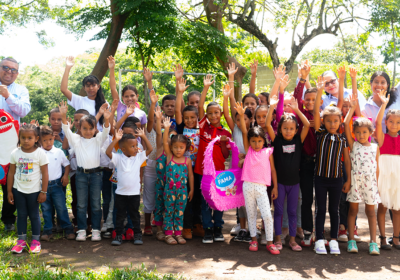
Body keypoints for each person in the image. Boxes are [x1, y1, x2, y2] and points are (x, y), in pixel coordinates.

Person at [60, 100, 111, 242]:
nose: (88, 131)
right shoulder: (76, 140)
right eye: (85, 128)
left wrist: (106, 119)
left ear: (95, 129)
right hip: (80, 175)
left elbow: (106, 130)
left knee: (95, 204)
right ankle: (82, 230)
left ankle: (95, 230)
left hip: (96, 175)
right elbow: (66, 129)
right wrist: (63, 116)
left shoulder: (98, 140)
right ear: (80, 129)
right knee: (81, 204)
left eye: (91, 128)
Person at [266, 88, 310, 252]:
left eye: (291, 129)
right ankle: (278, 239)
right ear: (280, 130)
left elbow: (306, 124)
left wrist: (297, 109)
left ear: (296, 130)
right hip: (280, 184)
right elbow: (267, 125)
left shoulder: (299, 139)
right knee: (278, 212)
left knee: (292, 211)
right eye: (285, 128)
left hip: (294, 183)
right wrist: (272, 107)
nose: (288, 131)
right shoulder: (276, 140)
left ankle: (292, 240)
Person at [313, 76, 351, 255]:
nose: (332, 124)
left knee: (334, 210)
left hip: (337, 180)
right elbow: (315, 113)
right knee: (320, 209)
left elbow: (346, 160)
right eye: (329, 121)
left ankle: (333, 239)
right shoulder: (320, 133)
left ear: (340, 121)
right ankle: (320, 239)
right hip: (320, 179)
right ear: (324, 121)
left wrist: (348, 179)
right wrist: (319, 90)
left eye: (336, 121)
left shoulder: (342, 138)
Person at [235, 102, 279, 254]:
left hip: (262, 187)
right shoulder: (249, 151)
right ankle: (254, 240)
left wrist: (275, 187)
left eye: (259, 141)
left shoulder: (268, 152)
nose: (256, 144)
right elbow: (244, 131)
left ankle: (270, 242)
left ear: (264, 141)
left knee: (267, 214)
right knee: (251, 214)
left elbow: (273, 170)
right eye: (253, 141)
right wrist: (241, 115)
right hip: (248, 186)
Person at [196, 74, 231, 244]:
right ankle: (207, 229)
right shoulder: (203, 127)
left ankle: (218, 228)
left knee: (218, 201)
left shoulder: (226, 133)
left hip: (219, 174)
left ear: (221, 114)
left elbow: (226, 155)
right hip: (204, 173)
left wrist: (224, 144)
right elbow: (200, 107)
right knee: (205, 203)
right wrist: (206, 88)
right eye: (210, 113)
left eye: (216, 112)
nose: (213, 115)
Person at [343, 101, 380, 255]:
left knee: (371, 213)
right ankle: (351, 240)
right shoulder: (353, 145)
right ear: (354, 133)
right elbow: (345, 124)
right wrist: (351, 108)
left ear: (370, 132)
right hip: (355, 183)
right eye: (357, 132)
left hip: (370, 184)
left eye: (364, 132)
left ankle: (373, 242)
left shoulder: (375, 147)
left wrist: (376, 185)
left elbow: (377, 168)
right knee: (353, 211)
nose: (361, 135)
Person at [106, 128, 152, 246]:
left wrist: (143, 136)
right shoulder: (118, 158)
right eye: (133, 146)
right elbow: (108, 152)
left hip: (134, 194)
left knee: (135, 215)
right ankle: (119, 235)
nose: (136, 148)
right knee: (120, 215)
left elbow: (150, 149)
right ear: (123, 149)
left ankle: (137, 234)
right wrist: (116, 140)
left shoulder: (139, 157)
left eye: (136, 145)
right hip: (120, 194)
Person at [0, 57, 31, 232]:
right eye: (6, 67)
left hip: (11, 144)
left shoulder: (20, 90)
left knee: (9, 182)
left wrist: (8, 96)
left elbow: (24, 110)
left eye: (14, 70)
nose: (9, 72)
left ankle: (8, 220)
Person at [7, 124, 49, 254]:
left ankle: (35, 241)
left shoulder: (40, 153)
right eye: (23, 137)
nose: (26, 140)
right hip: (18, 190)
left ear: (36, 138)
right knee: (21, 215)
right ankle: (21, 241)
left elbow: (45, 173)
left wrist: (43, 191)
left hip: (34, 191)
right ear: (19, 138)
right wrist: (9, 191)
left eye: (29, 138)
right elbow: (11, 173)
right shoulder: (15, 153)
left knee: (34, 215)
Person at [293, 62, 319, 246]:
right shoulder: (300, 114)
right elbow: (296, 96)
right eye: (307, 99)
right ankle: (308, 232)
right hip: (305, 163)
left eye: (314, 99)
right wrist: (302, 79)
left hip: (322, 163)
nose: (310, 102)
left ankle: (321, 232)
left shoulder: (324, 116)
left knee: (322, 200)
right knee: (307, 198)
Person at [223, 84, 252, 242]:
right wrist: (226, 96)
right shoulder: (235, 129)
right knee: (239, 200)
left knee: (248, 199)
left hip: (247, 170)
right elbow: (227, 113)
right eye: (239, 119)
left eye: (244, 119)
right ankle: (242, 228)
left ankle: (252, 228)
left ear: (250, 120)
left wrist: (241, 113)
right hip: (235, 169)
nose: (241, 122)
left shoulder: (251, 132)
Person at [39, 126, 75, 241]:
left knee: (61, 207)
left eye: (50, 139)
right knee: (46, 209)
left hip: (57, 185)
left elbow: (67, 164)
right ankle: (48, 230)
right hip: (42, 187)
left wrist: (65, 176)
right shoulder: (38, 153)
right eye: (44, 140)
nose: (48, 142)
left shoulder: (58, 152)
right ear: (39, 140)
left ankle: (68, 229)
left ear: (54, 138)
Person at [60, 56, 116, 131]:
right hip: (82, 137)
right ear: (84, 88)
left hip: (99, 139)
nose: (91, 88)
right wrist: (67, 68)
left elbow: (109, 124)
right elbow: (63, 89)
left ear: (98, 86)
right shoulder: (79, 100)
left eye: (93, 85)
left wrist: (111, 69)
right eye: (88, 86)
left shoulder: (104, 104)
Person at [375, 90, 400, 250]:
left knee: (397, 209)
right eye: (391, 121)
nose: (394, 125)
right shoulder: (382, 137)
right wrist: (384, 104)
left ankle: (396, 239)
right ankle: (383, 238)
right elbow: (377, 123)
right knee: (382, 207)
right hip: (384, 175)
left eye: (398, 122)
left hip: (397, 176)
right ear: (386, 122)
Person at [162, 117, 194, 245]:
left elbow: (190, 176)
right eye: (175, 147)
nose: (178, 150)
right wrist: (166, 129)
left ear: (186, 148)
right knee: (169, 211)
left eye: (181, 147)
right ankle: (168, 234)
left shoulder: (187, 161)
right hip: (169, 191)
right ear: (171, 147)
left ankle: (178, 233)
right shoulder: (169, 157)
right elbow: (165, 143)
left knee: (179, 212)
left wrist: (191, 190)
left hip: (183, 191)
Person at [175, 78, 200, 240]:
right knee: (186, 198)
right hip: (183, 169)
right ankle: (186, 227)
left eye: (193, 117)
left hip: (198, 168)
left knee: (197, 195)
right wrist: (180, 92)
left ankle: (198, 225)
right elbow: (178, 111)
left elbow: (201, 108)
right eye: (187, 118)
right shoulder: (181, 128)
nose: (189, 120)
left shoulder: (201, 126)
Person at [361, 71, 399, 141]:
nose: (379, 85)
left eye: (382, 82)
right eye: (376, 82)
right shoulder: (365, 109)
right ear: (371, 84)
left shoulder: (396, 100)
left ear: (387, 85)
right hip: (377, 147)